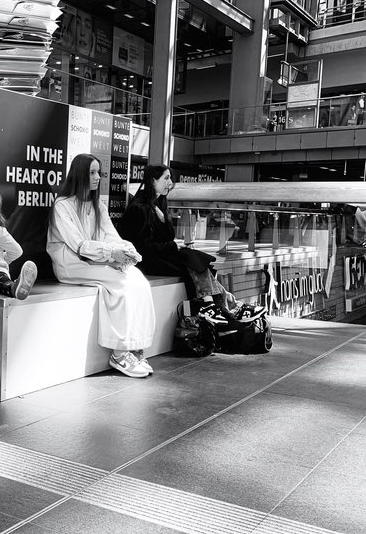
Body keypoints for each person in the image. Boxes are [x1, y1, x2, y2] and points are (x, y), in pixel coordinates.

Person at [47, 154, 155, 378]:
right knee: (122, 283)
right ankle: (119, 352)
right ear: (79, 175)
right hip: (70, 264)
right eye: (92, 173)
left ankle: (134, 346)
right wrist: (110, 254)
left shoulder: (99, 206)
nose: (98, 178)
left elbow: (110, 235)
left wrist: (124, 250)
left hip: (95, 260)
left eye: (99, 173)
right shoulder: (62, 205)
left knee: (138, 280)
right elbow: (78, 245)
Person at [119, 164, 265, 325]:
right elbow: (143, 248)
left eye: (170, 179)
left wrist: (163, 222)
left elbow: (167, 237)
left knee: (194, 260)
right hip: (147, 261)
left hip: (160, 257)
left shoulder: (157, 205)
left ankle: (219, 305)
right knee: (191, 260)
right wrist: (173, 247)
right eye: (166, 178)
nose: (170, 183)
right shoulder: (139, 209)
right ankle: (222, 305)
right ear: (153, 180)